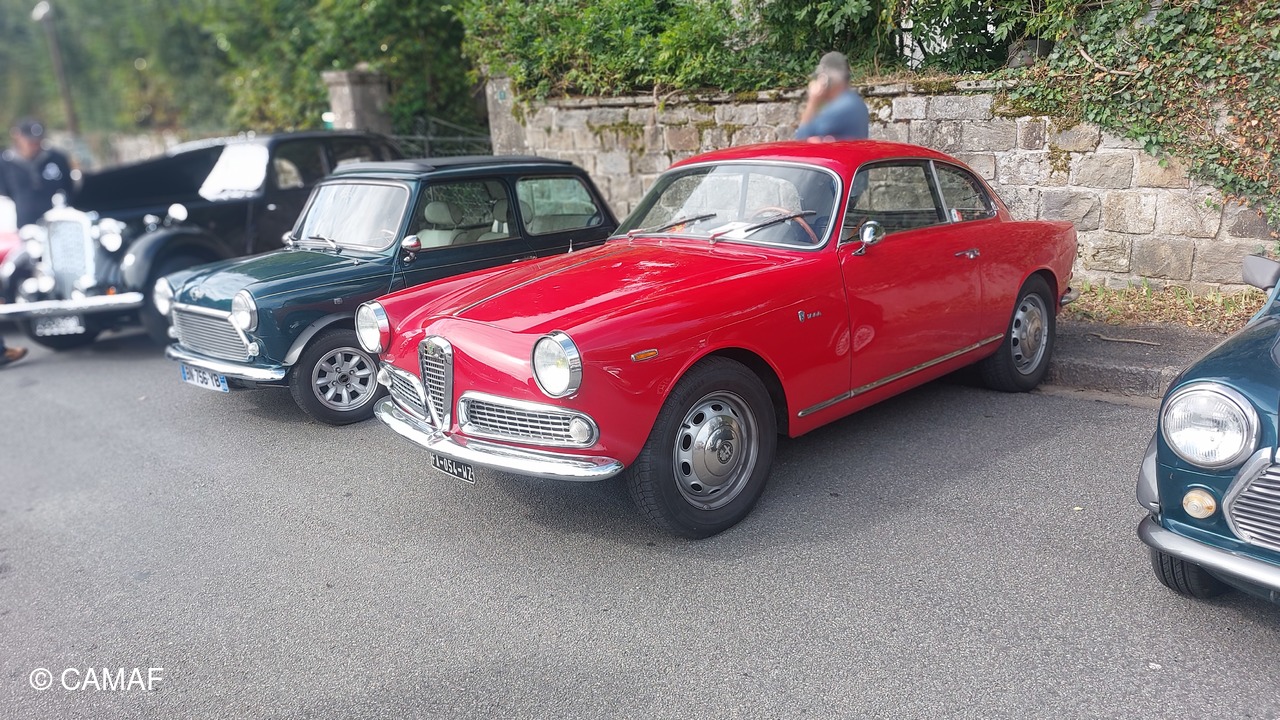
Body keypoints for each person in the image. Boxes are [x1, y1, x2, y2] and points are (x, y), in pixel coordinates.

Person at [0, 118, 74, 227]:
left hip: (57, 224)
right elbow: (4, 195)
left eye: (38, 140)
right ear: (17, 136)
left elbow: (69, 188)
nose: (34, 144)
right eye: (30, 140)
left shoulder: (57, 158)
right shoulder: (5, 162)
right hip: (20, 226)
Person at [795, 52, 869, 143]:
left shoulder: (841, 108)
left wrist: (813, 101)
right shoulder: (855, 102)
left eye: (820, 78)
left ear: (826, 79)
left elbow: (802, 138)